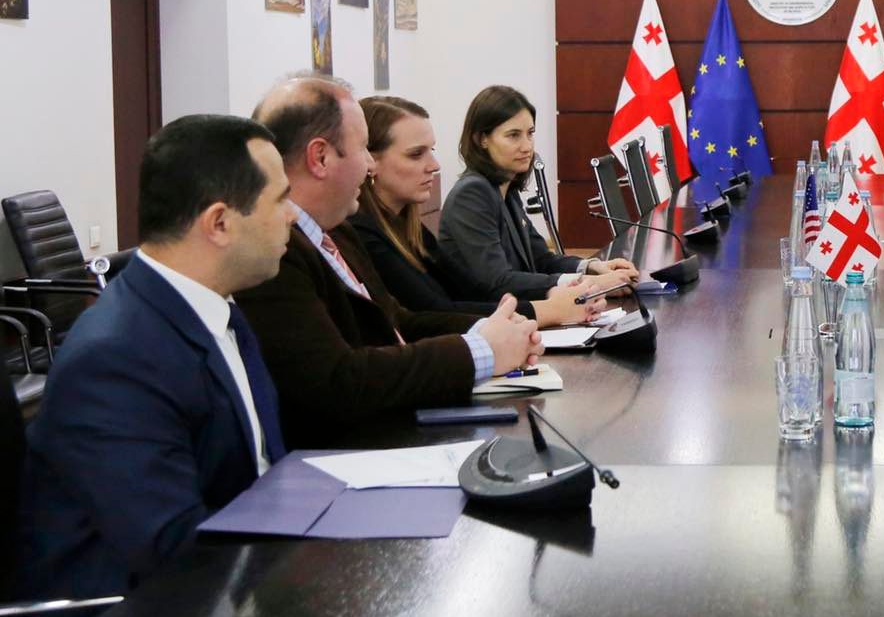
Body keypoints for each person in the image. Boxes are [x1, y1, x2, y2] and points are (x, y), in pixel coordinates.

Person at [12, 115, 297, 617]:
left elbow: (266, 470)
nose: (292, 215)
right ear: (220, 223)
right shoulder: (116, 359)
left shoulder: (216, 308)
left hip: (222, 599)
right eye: (280, 199)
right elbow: (172, 549)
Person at [236, 74, 579, 446]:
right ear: (320, 157)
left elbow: (399, 321)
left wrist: (499, 331)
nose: (369, 166)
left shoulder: (338, 231)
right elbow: (336, 382)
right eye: (363, 149)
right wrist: (481, 350)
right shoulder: (275, 252)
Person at [439, 84, 637, 301]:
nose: (527, 146)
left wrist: (592, 267)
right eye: (513, 135)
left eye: (530, 133)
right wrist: (588, 284)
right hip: (489, 318)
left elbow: (541, 259)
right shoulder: (471, 194)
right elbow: (497, 282)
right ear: (482, 139)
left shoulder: (507, 192)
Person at [350, 95, 539, 319]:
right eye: (416, 154)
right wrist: (544, 309)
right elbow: (434, 311)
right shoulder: (363, 233)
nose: (434, 165)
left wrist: (554, 297)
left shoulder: (408, 228)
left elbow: (469, 289)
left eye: (432, 151)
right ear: (370, 161)